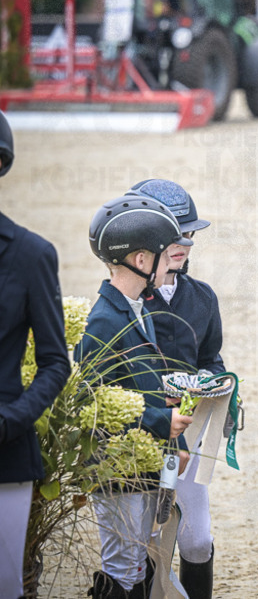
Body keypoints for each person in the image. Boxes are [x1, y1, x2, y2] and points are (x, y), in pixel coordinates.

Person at [77, 194, 194, 598]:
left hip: (140, 464)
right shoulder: (104, 322)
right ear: (141, 261)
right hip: (117, 471)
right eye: (165, 256)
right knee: (122, 570)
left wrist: (171, 435)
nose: (172, 263)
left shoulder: (134, 308)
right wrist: (163, 422)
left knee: (138, 564)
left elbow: (142, 384)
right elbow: (96, 405)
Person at [128, 179, 225, 599]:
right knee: (141, 540)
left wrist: (219, 385)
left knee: (197, 540)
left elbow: (211, 358)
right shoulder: (126, 302)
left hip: (187, 437)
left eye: (189, 234)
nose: (185, 244)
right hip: (141, 434)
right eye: (174, 237)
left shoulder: (201, 298)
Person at [0, 111, 72, 599]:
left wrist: (13, 419)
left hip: (5, 450)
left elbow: (55, 361)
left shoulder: (30, 255)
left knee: (5, 584)